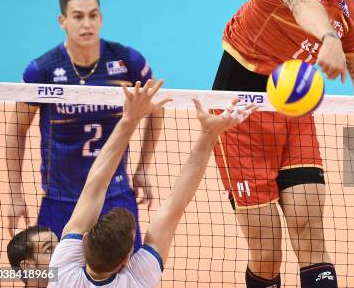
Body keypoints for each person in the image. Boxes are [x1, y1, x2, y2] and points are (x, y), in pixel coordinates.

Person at [212, 0, 354, 287]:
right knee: (267, 251)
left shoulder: (347, 13)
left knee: (309, 230)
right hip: (239, 115)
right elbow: (301, 1)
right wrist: (327, 37)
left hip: (293, 113)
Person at [48, 79, 256, 287]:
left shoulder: (62, 271)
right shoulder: (137, 280)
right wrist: (209, 133)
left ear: (84, 241)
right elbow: (172, 204)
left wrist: (129, 119)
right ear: (126, 261)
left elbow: (97, 185)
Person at [5, 0, 162, 250]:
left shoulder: (127, 62)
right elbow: (16, 131)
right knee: (55, 277)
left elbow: (156, 108)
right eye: (78, 16)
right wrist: (14, 194)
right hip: (61, 199)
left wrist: (143, 168)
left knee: (126, 274)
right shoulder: (42, 70)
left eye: (93, 15)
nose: (87, 23)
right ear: (62, 21)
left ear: (101, 18)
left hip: (115, 195)